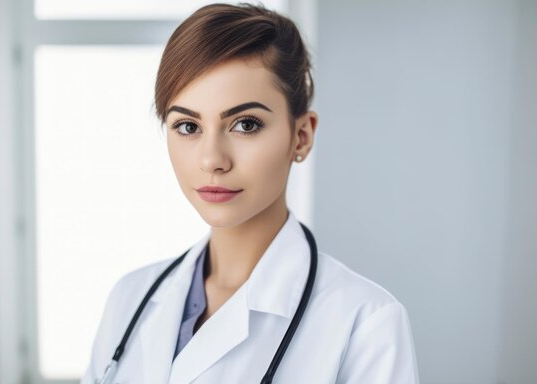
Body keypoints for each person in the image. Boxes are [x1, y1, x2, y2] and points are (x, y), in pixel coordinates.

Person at [82, 3, 419, 383]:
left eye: (245, 124)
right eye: (188, 126)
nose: (212, 159)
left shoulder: (365, 322)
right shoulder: (129, 299)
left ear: (302, 136)